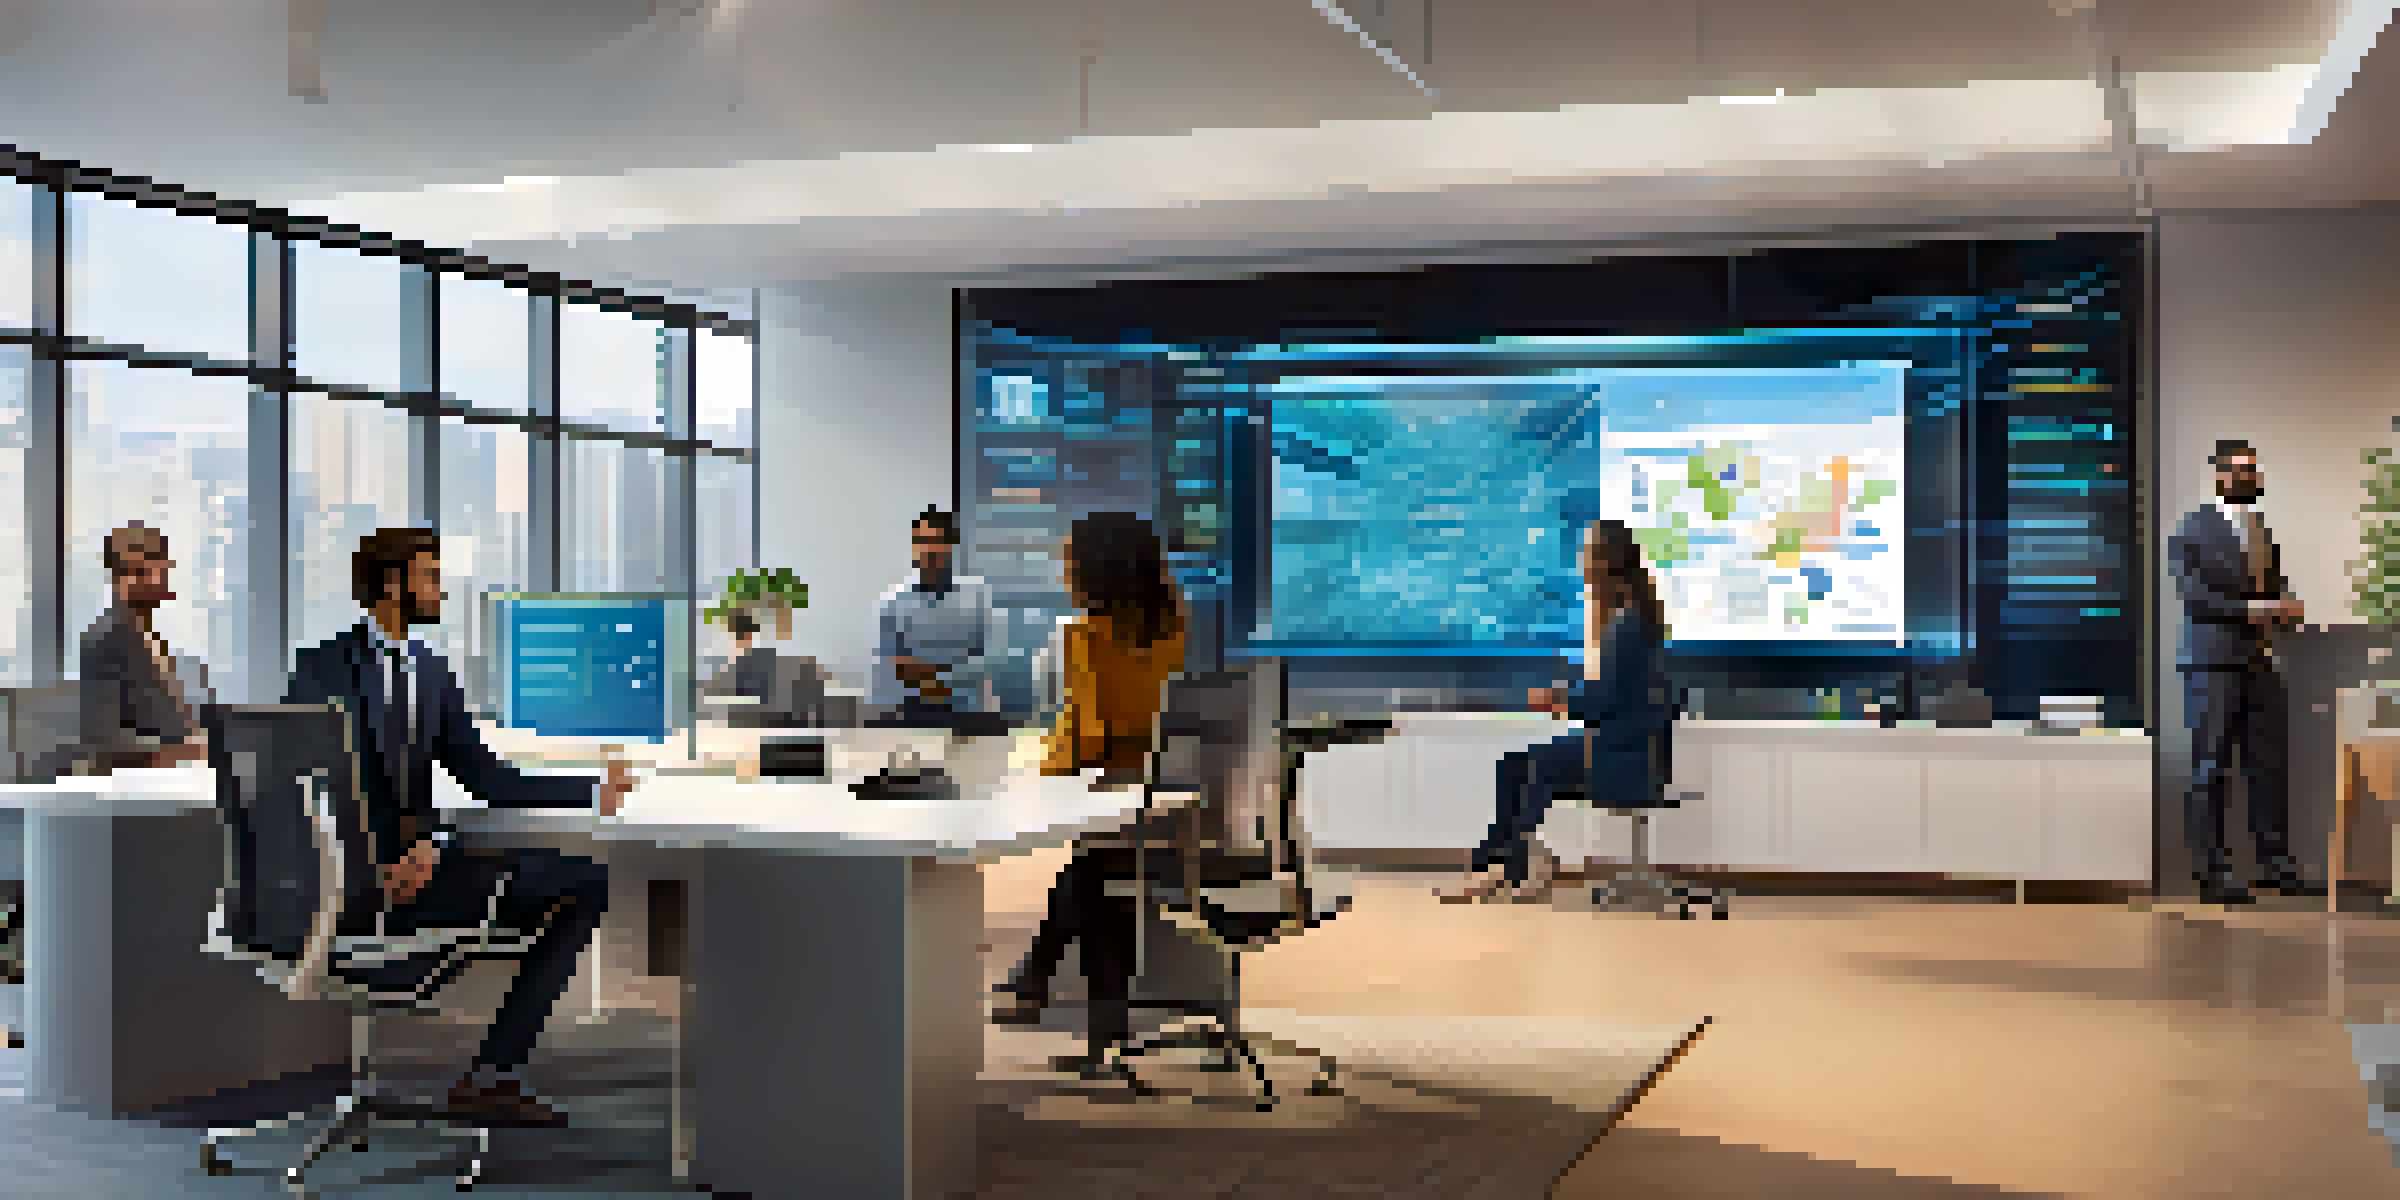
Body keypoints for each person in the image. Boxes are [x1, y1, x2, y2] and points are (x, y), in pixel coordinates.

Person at [284, 527, 634, 1127]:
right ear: (393, 585)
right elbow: (312, 784)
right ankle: (492, 1078)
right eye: (430, 576)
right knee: (585, 884)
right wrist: (377, 863)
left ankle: (490, 1074)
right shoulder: (324, 668)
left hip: (421, 876)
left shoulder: (432, 672)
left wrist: (593, 789)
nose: (440, 590)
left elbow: (487, 779)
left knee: (582, 880)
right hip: (356, 887)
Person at [992, 513, 1189, 1064]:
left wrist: (1036, 768)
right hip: (1168, 789)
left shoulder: (1082, 635)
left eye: (1071, 561)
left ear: (1097, 570)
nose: (1064, 573)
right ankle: (1043, 983)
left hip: (1111, 789)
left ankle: (1072, 1006)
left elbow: (1089, 733)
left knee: (1094, 875)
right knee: (1090, 874)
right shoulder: (1177, 625)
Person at [1444, 519, 1672, 904]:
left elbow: (1604, 702)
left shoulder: (1627, 627)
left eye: (1586, 555)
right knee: (1514, 763)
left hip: (1625, 758)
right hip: (1622, 746)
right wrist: (1566, 697)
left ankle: (1511, 868)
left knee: (1537, 765)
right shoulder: (1635, 621)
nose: (1581, 562)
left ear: (1602, 564)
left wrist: (1560, 701)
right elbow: (1611, 694)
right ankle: (1494, 865)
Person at [2170, 440, 2318, 905]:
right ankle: (2212, 873)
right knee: (2211, 768)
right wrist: (2255, 608)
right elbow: (2195, 602)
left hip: (2261, 661)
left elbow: (2275, 587)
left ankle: (2274, 866)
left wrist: (2286, 608)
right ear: (2217, 474)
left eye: (2251, 469)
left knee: (2269, 767)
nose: (2246, 477)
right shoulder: (2189, 532)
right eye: (2238, 470)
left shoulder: (2261, 533)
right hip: (2213, 664)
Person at [78, 523, 212, 773]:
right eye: (140, 570)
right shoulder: (104, 638)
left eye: (160, 567)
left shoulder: (150, 638)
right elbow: (105, 740)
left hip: (180, 776)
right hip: (138, 784)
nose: (158, 578)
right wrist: (185, 752)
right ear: (118, 578)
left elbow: (171, 723)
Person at [870, 506, 1006, 731]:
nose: (928, 549)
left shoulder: (978, 596)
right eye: (922, 541)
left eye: (936, 540)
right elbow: (891, 670)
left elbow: (989, 663)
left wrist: (929, 673)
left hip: (970, 717)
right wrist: (957, 671)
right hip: (913, 717)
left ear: (951, 546)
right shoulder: (892, 603)